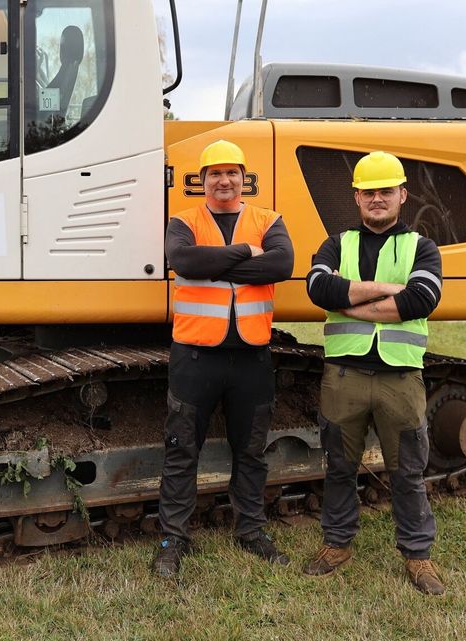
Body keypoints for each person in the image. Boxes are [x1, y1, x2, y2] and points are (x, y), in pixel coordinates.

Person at [303, 150, 445, 594]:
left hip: (399, 378)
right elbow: (317, 288)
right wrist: (387, 291)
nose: (377, 199)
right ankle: (338, 544)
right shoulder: (336, 242)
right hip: (344, 376)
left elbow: (422, 299)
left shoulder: (422, 247)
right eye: (369, 192)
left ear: (402, 195)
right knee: (340, 466)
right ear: (357, 197)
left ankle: (417, 556)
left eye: (386, 190)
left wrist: (350, 300)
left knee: (407, 470)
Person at [153, 139, 295, 577]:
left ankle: (250, 530)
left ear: (243, 178)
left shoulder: (269, 220)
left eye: (231, 172)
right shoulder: (184, 220)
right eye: (214, 173)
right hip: (195, 357)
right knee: (181, 451)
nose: (223, 180)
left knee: (251, 452)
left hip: (251, 356)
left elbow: (281, 266)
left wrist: (213, 263)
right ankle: (172, 539)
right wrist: (244, 255)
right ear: (201, 180)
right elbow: (182, 260)